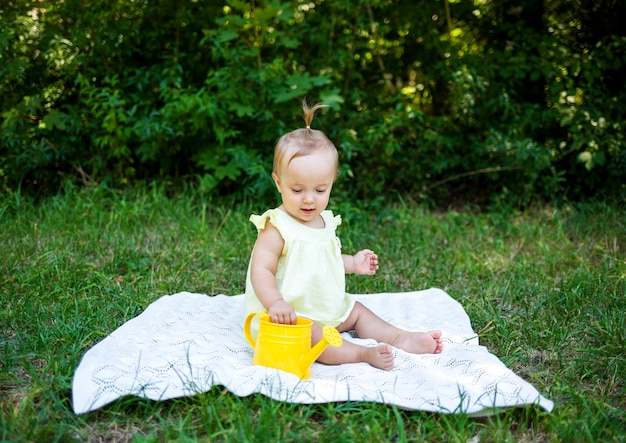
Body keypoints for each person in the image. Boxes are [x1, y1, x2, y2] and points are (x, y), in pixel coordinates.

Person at [244, 101, 443, 370]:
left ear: (331, 183)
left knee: (357, 311)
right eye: (297, 189)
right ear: (278, 182)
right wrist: (275, 303)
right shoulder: (277, 226)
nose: (309, 199)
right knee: (313, 334)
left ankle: (400, 337)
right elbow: (261, 270)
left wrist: (353, 263)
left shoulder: (325, 220)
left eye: (319, 190)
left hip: (325, 308)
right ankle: (361, 354)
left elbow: (326, 259)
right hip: (288, 318)